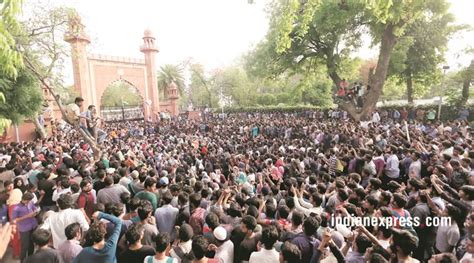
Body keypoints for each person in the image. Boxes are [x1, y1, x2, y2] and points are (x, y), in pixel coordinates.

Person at [12, 192, 39, 263]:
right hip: (24, 229)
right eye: (29, 200)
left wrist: (36, 211)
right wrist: (27, 216)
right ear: (25, 200)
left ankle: (30, 259)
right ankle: (22, 261)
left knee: (32, 244)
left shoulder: (31, 203)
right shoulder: (16, 208)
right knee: (24, 246)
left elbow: (34, 208)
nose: (30, 202)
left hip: (33, 226)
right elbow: (14, 220)